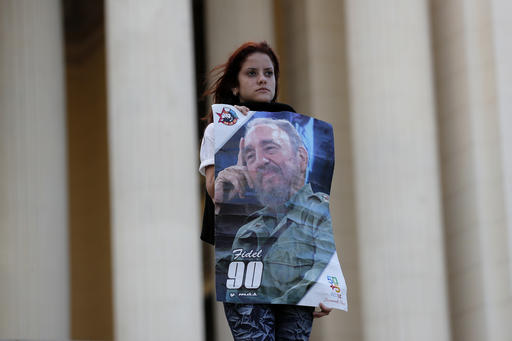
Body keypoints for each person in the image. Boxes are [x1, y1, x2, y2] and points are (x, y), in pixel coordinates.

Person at [199, 41, 331, 341]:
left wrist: (325, 286)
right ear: (235, 85)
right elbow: (214, 191)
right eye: (252, 73)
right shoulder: (219, 129)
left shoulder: (295, 127)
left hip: (295, 268)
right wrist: (231, 135)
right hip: (244, 265)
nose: (262, 79)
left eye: (269, 73)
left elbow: (321, 223)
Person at [216, 118, 335, 305]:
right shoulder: (246, 231)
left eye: (270, 148)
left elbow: (318, 279)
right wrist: (220, 204)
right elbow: (227, 285)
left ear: (301, 158)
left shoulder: (319, 212)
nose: (260, 162)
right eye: (250, 156)